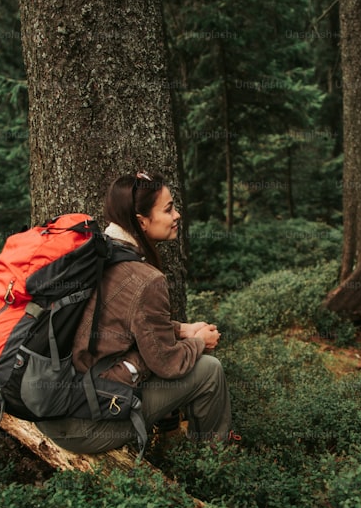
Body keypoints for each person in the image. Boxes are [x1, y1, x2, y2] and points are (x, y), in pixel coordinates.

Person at [35, 171, 232, 454]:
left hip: (50, 408)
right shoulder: (145, 278)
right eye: (168, 209)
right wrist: (200, 341)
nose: (177, 215)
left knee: (151, 358)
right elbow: (168, 363)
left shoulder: (96, 253)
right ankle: (211, 462)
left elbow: (126, 321)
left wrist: (181, 330)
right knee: (209, 370)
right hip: (83, 426)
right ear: (141, 221)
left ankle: (169, 440)